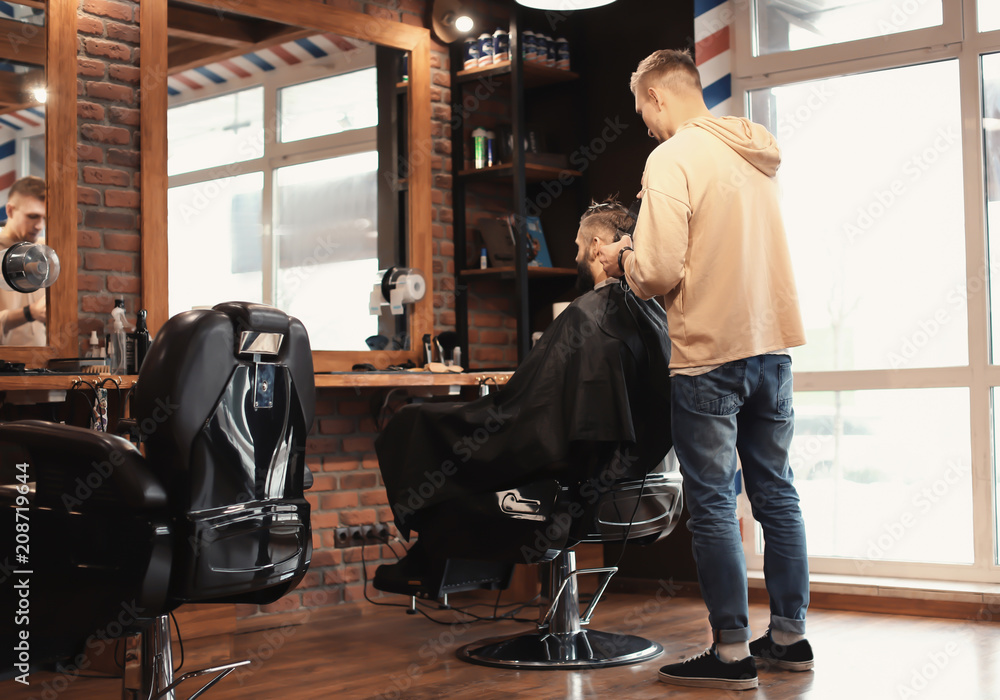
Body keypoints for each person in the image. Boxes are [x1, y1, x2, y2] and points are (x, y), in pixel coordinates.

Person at [598, 49, 811, 691]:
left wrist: (624, 260)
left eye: (644, 113)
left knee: (716, 503)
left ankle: (729, 655)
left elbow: (661, 269)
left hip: (710, 354)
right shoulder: (754, 152)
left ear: (659, 97)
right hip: (771, 347)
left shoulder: (671, 157)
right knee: (776, 491)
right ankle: (789, 640)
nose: (648, 127)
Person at [373, 200, 673, 593]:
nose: (576, 256)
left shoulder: (587, 314)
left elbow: (523, 416)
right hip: (639, 481)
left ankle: (428, 555)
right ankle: (428, 558)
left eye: (579, 247)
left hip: (569, 479)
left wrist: (445, 416)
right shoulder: (655, 313)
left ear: (599, 246)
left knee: (410, 423)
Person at [0, 176, 47, 345]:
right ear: (10, 210)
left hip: (44, 365)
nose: (39, 226)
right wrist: (29, 313)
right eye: (33, 216)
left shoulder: (46, 251)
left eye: (44, 218)